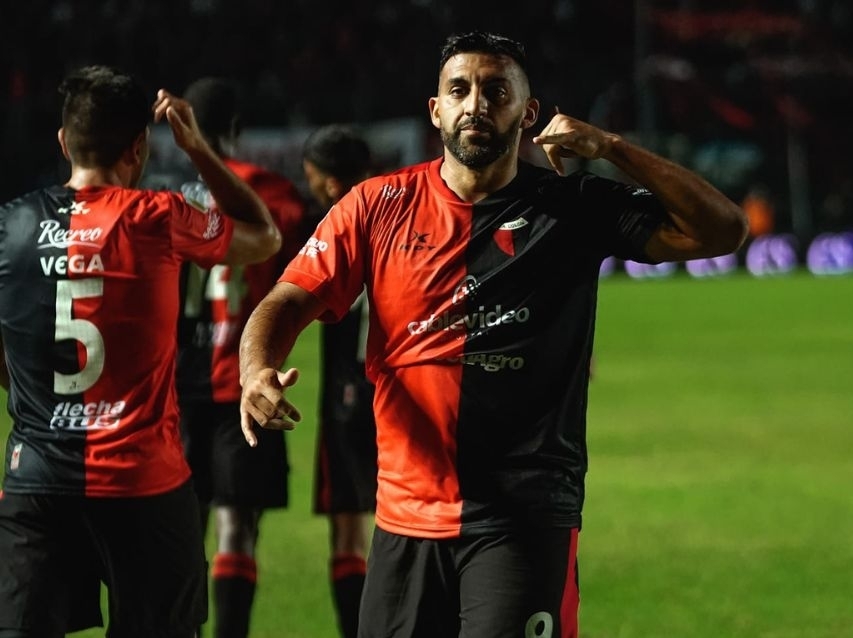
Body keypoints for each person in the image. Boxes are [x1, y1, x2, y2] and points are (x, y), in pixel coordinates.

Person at [239, 31, 748, 638]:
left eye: (496, 91)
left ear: (528, 113)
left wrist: (612, 147)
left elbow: (722, 230)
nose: (476, 105)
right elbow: (286, 299)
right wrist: (256, 370)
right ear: (436, 110)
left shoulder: (573, 206)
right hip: (405, 520)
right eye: (459, 90)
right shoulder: (376, 206)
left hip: (525, 519)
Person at [0, 65, 280, 638]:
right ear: (138, 148)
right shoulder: (159, 217)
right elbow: (264, 235)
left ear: (63, 141)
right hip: (142, 483)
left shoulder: (11, 225)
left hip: (37, 481)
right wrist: (197, 147)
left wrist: (30, 394)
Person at [174, 76, 307, 638]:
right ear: (235, 129)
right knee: (236, 528)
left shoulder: (169, 198)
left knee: (183, 532)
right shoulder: (271, 193)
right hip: (245, 384)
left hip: (177, 388)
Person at [301, 124, 378, 638]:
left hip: (347, 393)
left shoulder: (331, 229)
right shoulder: (402, 217)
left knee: (348, 532)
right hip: (402, 389)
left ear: (330, 183)